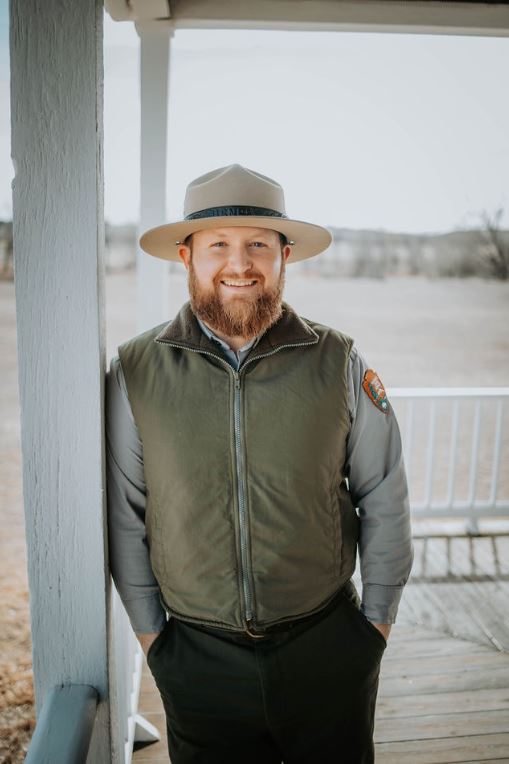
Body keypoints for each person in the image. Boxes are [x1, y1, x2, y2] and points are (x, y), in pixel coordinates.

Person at [106, 163, 413, 764]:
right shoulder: (136, 371)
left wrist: (373, 629)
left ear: (284, 255)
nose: (238, 264)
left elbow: (383, 494)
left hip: (327, 646)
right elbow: (126, 514)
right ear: (187, 255)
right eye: (218, 244)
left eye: (257, 245)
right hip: (196, 658)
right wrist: (156, 642)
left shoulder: (338, 361)